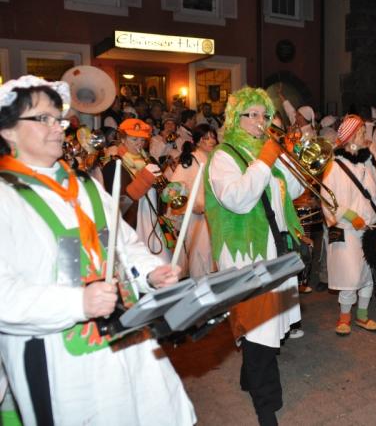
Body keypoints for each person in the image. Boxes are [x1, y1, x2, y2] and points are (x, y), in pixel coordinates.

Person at [0, 75, 195, 425]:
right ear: (8, 131)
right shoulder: (5, 197)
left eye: (58, 118)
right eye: (43, 119)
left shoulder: (86, 185)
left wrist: (151, 272)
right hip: (58, 356)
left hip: (126, 337)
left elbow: (124, 244)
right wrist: (78, 303)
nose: (58, 128)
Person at [204, 86, 304, 426]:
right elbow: (237, 199)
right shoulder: (224, 156)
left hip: (275, 247)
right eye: (254, 115)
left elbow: (293, 192)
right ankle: (266, 405)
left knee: (267, 321)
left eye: (265, 115)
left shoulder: (266, 153)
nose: (262, 121)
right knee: (260, 329)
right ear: (236, 118)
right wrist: (265, 162)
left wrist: (292, 160)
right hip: (246, 253)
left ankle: (249, 378)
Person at [321, 114, 376, 336]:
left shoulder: (366, 162)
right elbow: (327, 198)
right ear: (350, 137)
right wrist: (347, 214)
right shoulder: (335, 166)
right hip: (346, 229)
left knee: (367, 273)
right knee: (350, 275)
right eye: (361, 133)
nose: (365, 136)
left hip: (367, 228)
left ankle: (362, 316)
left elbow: (374, 189)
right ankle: (344, 317)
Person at [102, 118, 174, 262]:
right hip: (132, 228)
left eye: (142, 140)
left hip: (153, 225)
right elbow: (120, 205)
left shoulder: (149, 160)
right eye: (134, 139)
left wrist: (170, 191)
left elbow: (159, 195)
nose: (139, 144)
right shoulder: (114, 164)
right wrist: (145, 180)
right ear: (123, 139)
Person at [168, 123, 218, 278]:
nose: (211, 141)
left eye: (213, 137)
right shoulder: (190, 160)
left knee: (213, 255)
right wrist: (192, 205)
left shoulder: (215, 159)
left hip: (214, 214)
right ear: (197, 141)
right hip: (197, 217)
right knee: (199, 256)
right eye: (206, 138)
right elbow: (173, 189)